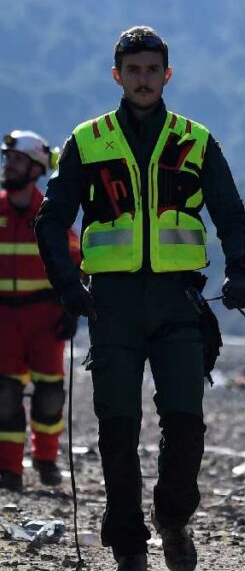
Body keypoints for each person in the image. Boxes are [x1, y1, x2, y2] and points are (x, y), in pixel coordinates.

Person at [35, 26, 245, 571]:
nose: (142, 79)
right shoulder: (88, 141)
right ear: (117, 75)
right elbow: (51, 218)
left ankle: (174, 520)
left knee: (186, 424)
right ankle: (129, 545)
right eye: (132, 70)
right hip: (111, 305)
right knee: (118, 428)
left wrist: (241, 272)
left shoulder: (195, 140)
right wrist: (68, 287)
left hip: (179, 302)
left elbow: (230, 214)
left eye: (151, 70)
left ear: (166, 75)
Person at [0, 130, 80, 492]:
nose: (8, 165)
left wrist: (71, 307)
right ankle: (9, 470)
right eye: (7, 158)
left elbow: (76, 262)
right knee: (5, 396)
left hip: (44, 318)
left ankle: (46, 459)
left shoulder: (51, 214)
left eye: (16, 159)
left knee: (49, 394)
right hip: (4, 319)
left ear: (35, 168)